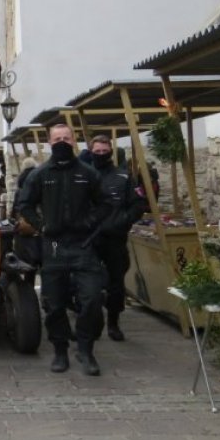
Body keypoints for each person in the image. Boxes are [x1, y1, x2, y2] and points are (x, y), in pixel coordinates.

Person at [17, 124, 107, 376]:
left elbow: (105, 204)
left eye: (66, 138)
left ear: (74, 140)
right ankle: (59, 350)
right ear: (49, 143)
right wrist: (41, 226)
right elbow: (24, 204)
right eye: (57, 139)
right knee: (54, 303)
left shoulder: (88, 173)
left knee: (92, 299)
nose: (62, 142)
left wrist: (90, 223)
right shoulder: (40, 174)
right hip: (54, 246)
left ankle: (86, 349)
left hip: (83, 245)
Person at [89, 135, 147, 341]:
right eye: (97, 152)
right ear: (91, 152)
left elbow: (139, 204)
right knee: (89, 282)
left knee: (116, 283)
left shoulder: (123, 177)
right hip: (91, 240)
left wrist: (123, 220)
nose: (101, 155)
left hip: (115, 238)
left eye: (105, 152)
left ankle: (113, 322)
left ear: (111, 153)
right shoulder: (86, 176)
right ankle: (91, 320)